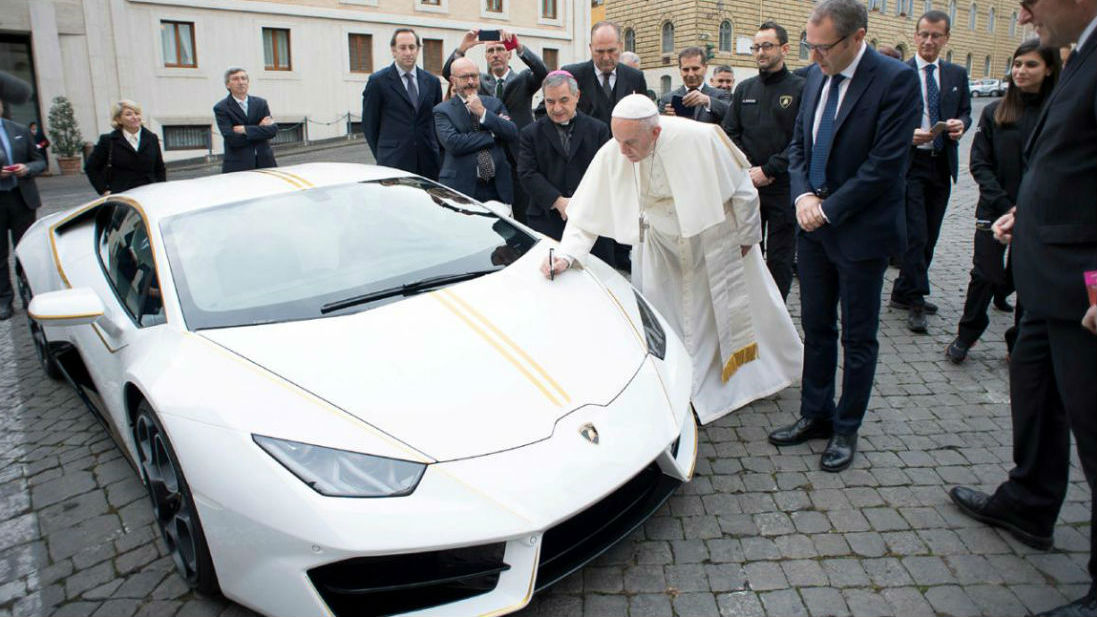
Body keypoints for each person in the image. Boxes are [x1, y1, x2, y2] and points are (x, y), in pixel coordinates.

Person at [948, 0, 1097, 610]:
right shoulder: (1080, 53)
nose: (1023, 11)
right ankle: (1030, 503)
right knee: (1034, 394)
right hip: (1044, 279)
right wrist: (1026, 212)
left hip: (1083, 289)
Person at [541, 94, 803, 425]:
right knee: (666, 319)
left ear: (655, 132)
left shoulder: (702, 138)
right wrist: (566, 254)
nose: (623, 152)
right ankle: (678, 385)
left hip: (710, 240)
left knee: (716, 318)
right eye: (618, 141)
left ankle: (740, 383)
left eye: (631, 143)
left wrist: (747, 238)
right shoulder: (617, 149)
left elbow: (744, 190)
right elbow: (585, 213)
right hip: (660, 247)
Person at [767, 0, 921, 472]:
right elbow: (797, 147)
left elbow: (886, 166)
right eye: (809, 46)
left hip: (859, 232)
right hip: (812, 227)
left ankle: (846, 427)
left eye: (822, 48)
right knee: (816, 326)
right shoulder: (814, 75)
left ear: (857, 38)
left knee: (858, 336)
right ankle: (815, 413)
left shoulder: (895, 80)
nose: (814, 57)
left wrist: (826, 208)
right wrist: (801, 199)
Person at [946, 41, 1060, 364]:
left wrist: (1026, 208)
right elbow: (979, 163)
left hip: (1038, 213)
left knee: (1026, 280)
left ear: (1048, 69)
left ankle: (1019, 341)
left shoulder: (1057, 111)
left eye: (1031, 65)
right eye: (1017, 64)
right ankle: (966, 335)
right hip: (994, 210)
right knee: (985, 275)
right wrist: (1004, 204)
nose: (1021, 71)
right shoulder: (996, 111)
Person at [889, 10, 972, 333]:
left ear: (946, 38)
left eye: (936, 35)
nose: (928, 41)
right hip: (910, 165)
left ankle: (902, 290)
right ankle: (916, 300)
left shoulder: (956, 74)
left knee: (931, 236)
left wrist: (961, 124)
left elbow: (965, 110)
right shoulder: (899, 73)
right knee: (916, 234)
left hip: (941, 163)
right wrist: (906, 134)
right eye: (923, 34)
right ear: (915, 35)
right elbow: (886, 118)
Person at [722, 21, 806, 301]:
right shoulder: (745, 89)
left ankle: (776, 312)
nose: (760, 52)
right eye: (756, 47)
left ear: (784, 49)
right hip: (748, 187)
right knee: (746, 252)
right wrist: (750, 169)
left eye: (767, 46)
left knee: (780, 259)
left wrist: (770, 170)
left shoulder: (800, 89)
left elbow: (801, 140)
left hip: (783, 188)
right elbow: (730, 133)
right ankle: (750, 308)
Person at [562, 21, 648, 270]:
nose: (606, 57)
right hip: (584, 161)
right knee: (590, 212)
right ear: (590, 48)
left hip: (626, 160)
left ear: (621, 47)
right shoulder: (573, 74)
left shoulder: (635, 77)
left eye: (612, 51)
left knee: (624, 208)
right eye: (600, 52)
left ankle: (623, 258)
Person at [442, 29, 547, 222]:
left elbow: (542, 72)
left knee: (523, 209)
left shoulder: (524, 79)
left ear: (508, 54)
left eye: (500, 49)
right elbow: (450, 72)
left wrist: (519, 46)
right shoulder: (478, 81)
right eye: (490, 51)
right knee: (492, 212)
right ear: (485, 57)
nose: (496, 54)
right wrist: (463, 47)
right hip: (488, 154)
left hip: (518, 154)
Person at [517, 71, 616, 267]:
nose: (557, 108)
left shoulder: (598, 130)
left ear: (577, 96)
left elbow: (607, 173)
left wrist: (581, 203)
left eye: (563, 100)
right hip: (546, 220)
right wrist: (558, 201)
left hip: (591, 220)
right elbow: (526, 173)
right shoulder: (530, 133)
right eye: (550, 101)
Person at [434, 57, 518, 203]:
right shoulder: (442, 110)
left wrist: (483, 112)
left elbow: (511, 132)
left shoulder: (494, 104)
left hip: (497, 187)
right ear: (453, 80)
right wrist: (492, 134)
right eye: (465, 77)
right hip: (461, 188)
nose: (471, 81)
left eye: (474, 76)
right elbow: (453, 144)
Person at [362, 28, 443, 180]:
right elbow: (369, 125)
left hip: (428, 163)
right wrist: (384, 154)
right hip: (394, 163)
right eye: (403, 48)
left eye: (412, 47)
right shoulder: (378, 82)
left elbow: (436, 122)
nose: (408, 52)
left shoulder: (432, 82)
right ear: (393, 50)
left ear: (418, 49)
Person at [0, 100, 46, 320]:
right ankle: (4, 301)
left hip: (22, 200)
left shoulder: (19, 131)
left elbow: (40, 162)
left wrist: (27, 168)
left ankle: (31, 296)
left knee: (26, 251)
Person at [84, 100, 167, 195]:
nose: (134, 117)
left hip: (150, 193)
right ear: (119, 119)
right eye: (128, 114)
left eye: (137, 113)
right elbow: (91, 167)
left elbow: (159, 168)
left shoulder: (152, 138)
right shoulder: (108, 141)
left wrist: (161, 188)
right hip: (123, 196)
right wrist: (104, 190)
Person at [213, 67, 277, 173]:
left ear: (248, 82)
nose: (241, 82)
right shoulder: (221, 108)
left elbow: (272, 131)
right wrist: (260, 129)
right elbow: (232, 139)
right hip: (238, 166)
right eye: (235, 79)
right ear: (227, 85)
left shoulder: (261, 103)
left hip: (266, 163)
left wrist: (245, 130)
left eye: (243, 78)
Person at [657, 47, 730, 124]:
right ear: (680, 70)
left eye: (695, 69)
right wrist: (665, 119)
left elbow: (730, 115)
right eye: (686, 70)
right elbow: (660, 130)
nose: (690, 74)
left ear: (705, 68)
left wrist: (707, 101)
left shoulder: (721, 95)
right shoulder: (667, 99)